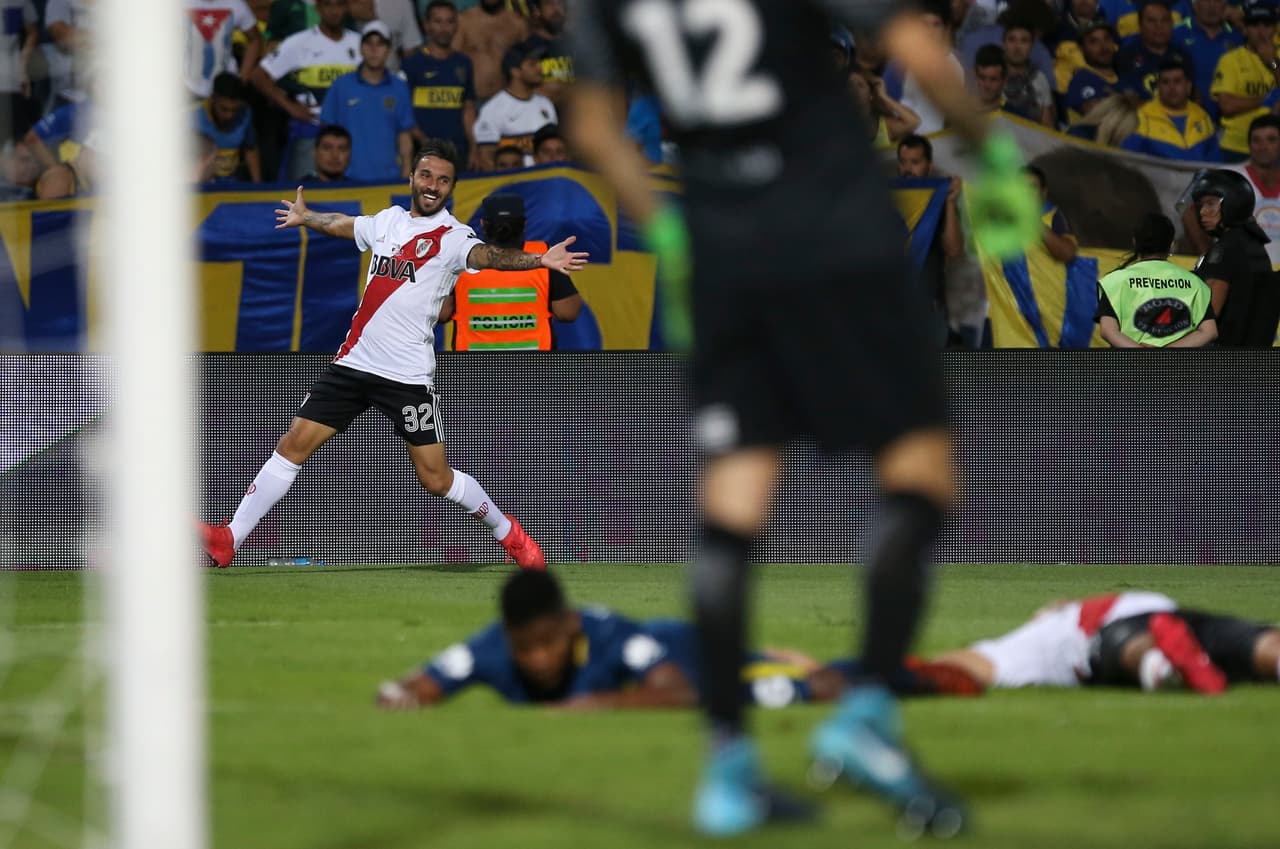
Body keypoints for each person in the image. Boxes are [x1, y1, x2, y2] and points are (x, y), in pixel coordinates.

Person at [567, 0, 1041, 837]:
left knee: (733, 500)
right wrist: (991, 149)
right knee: (919, 472)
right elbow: (912, 43)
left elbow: (597, 128)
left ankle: (729, 769)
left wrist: (670, 235)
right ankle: (864, 714)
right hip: (838, 234)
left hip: (722, 250)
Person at [196, 140, 589, 571]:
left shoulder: (455, 238)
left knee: (436, 478)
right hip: (353, 363)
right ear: (412, 178)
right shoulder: (387, 222)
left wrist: (538, 260)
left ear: (452, 188)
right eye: (426, 176)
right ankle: (230, 537)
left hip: (406, 377)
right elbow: (345, 224)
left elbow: (489, 256)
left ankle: (508, 533)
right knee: (292, 445)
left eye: (442, 180)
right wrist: (308, 218)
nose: (432, 185)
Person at [374, 570, 976, 711]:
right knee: (787, 675)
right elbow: (420, 685)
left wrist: (596, 706)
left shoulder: (610, 638)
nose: (536, 659)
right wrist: (400, 696)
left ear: (569, 626)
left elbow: (676, 689)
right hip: (666, 659)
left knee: (802, 690)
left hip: (681, 652)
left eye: (546, 643)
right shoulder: (490, 650)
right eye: (524, 647)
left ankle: (917, 676)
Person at [931, 591, 1280, 693]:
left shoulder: (1011, 654)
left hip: (1113, 631)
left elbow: (956, 666)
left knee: (1127, 648)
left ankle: (1161, 664)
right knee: (1253, 644)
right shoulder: (1038, 633)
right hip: (1155, 606)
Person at [452, 192, 581, 350]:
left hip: (474, 371)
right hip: (532, 370)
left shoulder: (462, 256)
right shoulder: (543, 255)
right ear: (524, 224)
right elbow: (568, 312)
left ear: (483, 224)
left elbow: (442, 313)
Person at [250, 0, 360, 182]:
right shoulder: (300, 43)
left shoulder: (359, 43)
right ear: (318, 8)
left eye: (339, 5)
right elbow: (259, 76)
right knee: (302, 197)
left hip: (350, 134)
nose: (334, 11)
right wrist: (290, 107)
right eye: (328, 5)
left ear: (346, 8)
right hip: (310, 131)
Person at [1095, 212, 1217, 346]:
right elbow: (1209, 332)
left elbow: (1108, 331)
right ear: (1171, 245)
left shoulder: (1115, 282)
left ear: (1135, 242)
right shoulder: (1195, 283)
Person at [1189, 167, 1280, 345]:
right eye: (1202, 204)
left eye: (1211, 203)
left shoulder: (1225, 249)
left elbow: (1207, 316)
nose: (1202, 212)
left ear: (1233, 202)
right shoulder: (1253, 243)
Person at [318, 21, 415, 182]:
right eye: (369, 43)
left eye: (380, 44)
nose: (374, 49)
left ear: (389, 50)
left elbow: (404, 135)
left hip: (389, 178)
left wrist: (406, 172)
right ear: (361, 48)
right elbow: (327, 134)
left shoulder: (400, 87)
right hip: (346, 179)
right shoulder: (341, 85)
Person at [1185, 114, 1280, 265]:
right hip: (1238, 276)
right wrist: (1208, 259)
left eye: (1271, 140)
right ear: (1248, 144)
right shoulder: (1228, 176)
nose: (1263, 147)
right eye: (1256, 140)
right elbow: (1188, 211)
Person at [402, 0, 480, 171]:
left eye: (449, 21)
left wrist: (474, 147)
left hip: (459, 152)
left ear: (457, 25)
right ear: (426, 25)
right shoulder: (412, 64)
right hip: (423, 154)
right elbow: (404, 112)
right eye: (438, 22)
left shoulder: (464, 63)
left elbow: (468, 108)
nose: (444, 28)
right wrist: (424, 141)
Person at [1210, 2, 1279, 163]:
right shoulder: (1230, 60)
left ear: (1275, 28)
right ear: (1246, 29)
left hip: (1274, 147)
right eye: (1255, 25)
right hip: (1235, 147)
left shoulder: (1277, 59)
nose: (1261, 32)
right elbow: (1227, 105)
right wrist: (1265, 99)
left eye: (1267, 25)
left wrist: (1272, 62)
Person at [473, 39, 557, 169]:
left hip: (543, 183)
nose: (540, 68)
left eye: (540, 63)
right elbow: (487, 158)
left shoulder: (546, 104)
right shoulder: (493, 109)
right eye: (532, 64)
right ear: (515, 71)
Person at [1119, 57, 1219, 159]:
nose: (1172, 87)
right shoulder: (1141, 117)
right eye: (1165, 82)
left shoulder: (1203, 117)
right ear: (1158, 87)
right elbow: (1126, 161)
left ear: (1188, 86)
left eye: (1177, 81)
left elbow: (1215, 161)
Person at [1173, 0, 1243, 122]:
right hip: (1186, 118)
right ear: (1194, 5)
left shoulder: (1238, 38)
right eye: (1206, 1)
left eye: (1217, 1)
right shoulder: (1176, 34)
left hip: (1231, 122)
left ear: (1225, 5)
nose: (1212, 6)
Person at [1114, 0, 1195, 98]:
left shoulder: (1183, 55)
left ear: (1172, 24)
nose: (1159, 26)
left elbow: (1192, 95)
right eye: (1151, 21)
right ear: (1140, 25)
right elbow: (1126, 97)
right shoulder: (1125, 56)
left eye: (1164, 20)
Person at [453, 0, 529, 102]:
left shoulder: (517, 23)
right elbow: (452, 59)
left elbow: (528, 62)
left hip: (508, 99)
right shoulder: (464, 20)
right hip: (473, 99)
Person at [185, 0, 263, 100]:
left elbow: (255, 40)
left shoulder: (236, 4)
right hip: (185, 86)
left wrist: (242, 78)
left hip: (227, 85)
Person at [193, 72, 262, 183]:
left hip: (232, 186)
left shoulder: (245, 114)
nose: (229, 116)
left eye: (234, 110)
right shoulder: (192, 118)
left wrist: (257, 186)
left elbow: (250, 148)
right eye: (224, 109)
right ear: (213, 99)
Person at [1064, 19, 1121, 133]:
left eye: (1107, 39)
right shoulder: (1082, 79)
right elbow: (1099, 117)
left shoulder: (1124, 77)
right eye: (1094, 42)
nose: (1103, 46)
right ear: (1081, 49)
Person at [1002, 19, 1056, 125]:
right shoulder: (990, 75)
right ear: (1004, 44)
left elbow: (1047, 126)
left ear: (1031, 46)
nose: (1017, 47)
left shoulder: (1040, 78)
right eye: (1012, 40)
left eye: (1024, 41)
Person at [974, 44, 1012, 113]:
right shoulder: (960, 112)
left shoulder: (1016, 116)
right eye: (982, 78)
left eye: (993, 79)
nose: (987, 85)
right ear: (975, 76)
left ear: (1004, 81)